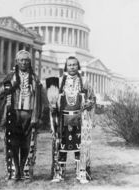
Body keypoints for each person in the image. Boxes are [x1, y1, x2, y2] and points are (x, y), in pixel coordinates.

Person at [46, 56, 95, 184]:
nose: (72, 67)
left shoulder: (84, 81)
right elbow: (52, 100)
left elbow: (92, 98)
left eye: (74, 65)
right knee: (61, 145)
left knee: (80, 146)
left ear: (78, 66)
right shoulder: (59, 81)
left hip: (80, 118)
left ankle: (81, 173)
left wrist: (89, 103)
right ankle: (59, 173)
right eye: (69, 65)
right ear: (66, 67)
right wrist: (52, 106)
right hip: (63, 118)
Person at [0, 50, 44, 182]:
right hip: (13, 114)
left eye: (27, 60)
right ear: (16, 62)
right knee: (13, 144)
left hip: (29, 114)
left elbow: (40, 100)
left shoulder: (34, 79)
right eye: (21, 60)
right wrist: (11, 86)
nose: (24, 62)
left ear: (30, 62)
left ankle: (24, 170)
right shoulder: (10, 77)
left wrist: (37, 116)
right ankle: (15, 171)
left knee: (27, 145)